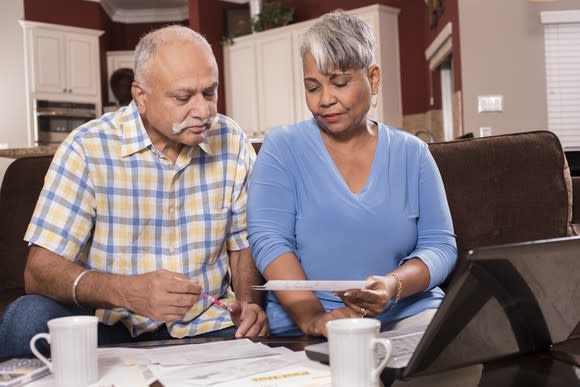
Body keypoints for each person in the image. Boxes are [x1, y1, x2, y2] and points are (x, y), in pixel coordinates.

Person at [0, 25, 267, 358]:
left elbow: (243, 246)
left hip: (207, 325)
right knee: (26, 318)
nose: (203, 111)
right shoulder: (87, 148)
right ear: (141, 97)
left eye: (210, 93)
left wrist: (249, 305)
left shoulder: (233, 140)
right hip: (107, 327)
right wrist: (128, 292)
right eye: (183, 98)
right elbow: (39, 272)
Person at [247, 11, 457, 337]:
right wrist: (314, 319)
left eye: (340, 83)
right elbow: (270, 241)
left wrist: (392, 286)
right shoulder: (281, 148)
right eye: (313, 87)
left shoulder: (413, 154)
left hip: (408, 315)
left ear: (373, 79)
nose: (325, 100)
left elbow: (440, 246)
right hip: (304, 324)